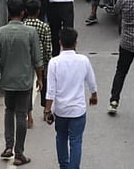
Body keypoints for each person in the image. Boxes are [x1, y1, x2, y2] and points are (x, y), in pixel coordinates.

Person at [0, 0, 46, 166]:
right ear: (23, 13)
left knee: (9, 110)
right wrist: (40, 78)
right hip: (24, 81)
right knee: (21, 114)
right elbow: (37, 59)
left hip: (7, 80)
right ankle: (19, 153)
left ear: (9, 13)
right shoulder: (30, 33)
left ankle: (8, 146)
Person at [43, 27, 98, 169]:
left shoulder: (54, 62)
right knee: (76, 141)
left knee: (61, 137)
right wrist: (94, 95)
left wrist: (47, 110)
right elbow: (91, 81)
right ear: (76, 43)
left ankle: (64, 166)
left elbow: (50, 91)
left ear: (60, 42)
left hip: (61, 110)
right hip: (78, 110)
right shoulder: (83, 60)